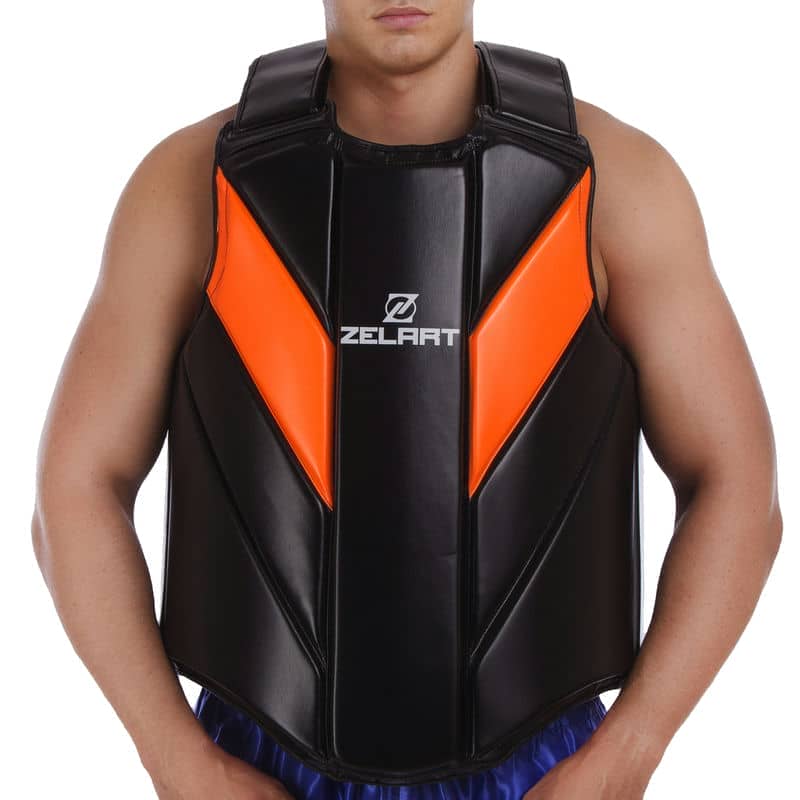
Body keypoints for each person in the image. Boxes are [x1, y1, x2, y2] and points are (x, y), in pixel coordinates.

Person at [31, 2, 782, 799]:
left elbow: (737, 481)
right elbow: (75, 486)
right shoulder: (192, 188)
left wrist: (630, 750)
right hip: (257, 764)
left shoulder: (619, 186)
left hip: (541, 770)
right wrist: (177, 759)